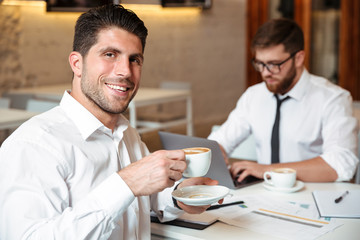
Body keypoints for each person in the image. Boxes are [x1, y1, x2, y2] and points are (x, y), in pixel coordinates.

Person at [0, 4, 218, 239]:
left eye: (134, 59)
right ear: (77, 64)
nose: (125, 71)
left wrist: (179, 196)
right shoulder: (34, 145)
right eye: (110, 54)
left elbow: (145, 197)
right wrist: (125, 183)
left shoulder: (128, 133)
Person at [208, 18, 359, 183]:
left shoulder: (332, 98)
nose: (266, 73)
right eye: (260, 64)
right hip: (264, 194)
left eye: (274, 64)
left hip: (313, 196)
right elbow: (220, 141)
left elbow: (341, 164)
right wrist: (216, 152)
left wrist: (267, 170)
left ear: (299, 58)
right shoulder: (254, 95)